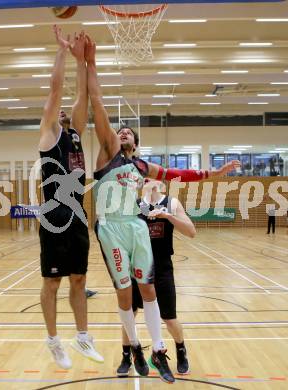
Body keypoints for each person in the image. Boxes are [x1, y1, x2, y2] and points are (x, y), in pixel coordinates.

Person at [85, 34, 240, 383]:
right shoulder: (106, 154)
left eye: (128, 132)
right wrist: (90, 64)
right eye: (119, 130)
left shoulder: (142, 167)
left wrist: (212, 172)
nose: (122, 133)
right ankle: (135, 347)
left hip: (136, 227)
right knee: (125, 296)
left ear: (136, 144)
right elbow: (98, 103)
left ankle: (158, 349)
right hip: (111, 226)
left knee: (149, 291)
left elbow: (177, 173)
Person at [38, 26, 103, 369]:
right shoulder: (49, 135)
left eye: (65, 111)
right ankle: (53, 341)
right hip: (53, 218)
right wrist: (63, 51)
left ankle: (82, 337)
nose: (63, 111)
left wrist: (83, 61)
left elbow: (81, 96)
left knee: (79, 279)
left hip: (76, 216)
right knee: (52, 281)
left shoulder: (76, 135)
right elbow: (57, 89)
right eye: (58, 110)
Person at [117, 180, 195, 377]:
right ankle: (127, 356)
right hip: (137, 268)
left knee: (169, 317)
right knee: (131, 313)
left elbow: (191, 231)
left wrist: (167, 216)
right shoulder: (134, 205)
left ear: (161, 183)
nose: (150, 182)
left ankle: (181, 350)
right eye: (146, 179)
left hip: (162, 268)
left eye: (154, 179)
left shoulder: (171, 203)